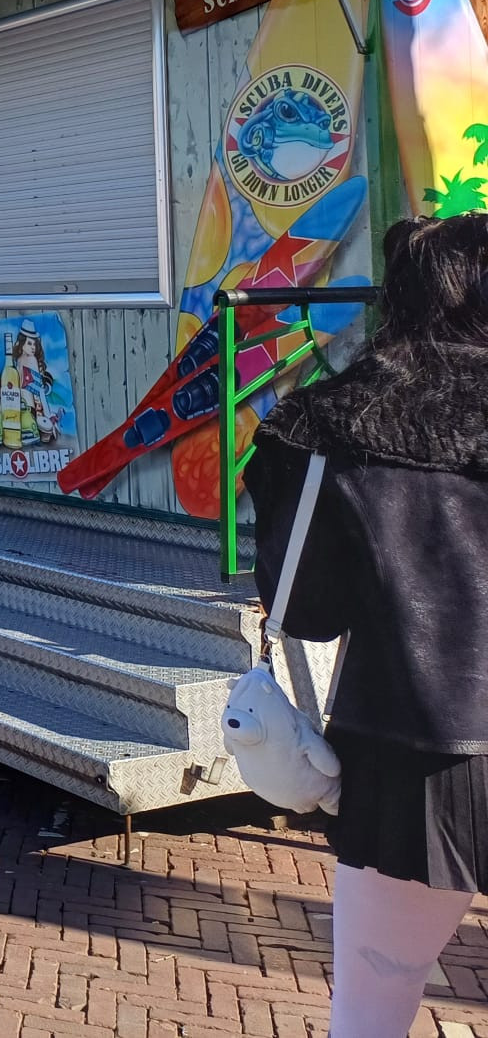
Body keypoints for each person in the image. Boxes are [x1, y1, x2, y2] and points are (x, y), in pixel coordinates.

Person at [249, 214, 488, 1037]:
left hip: (409, 751)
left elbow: (306, 610)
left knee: (372, 1010)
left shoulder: (335, 423)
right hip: (411, 747)